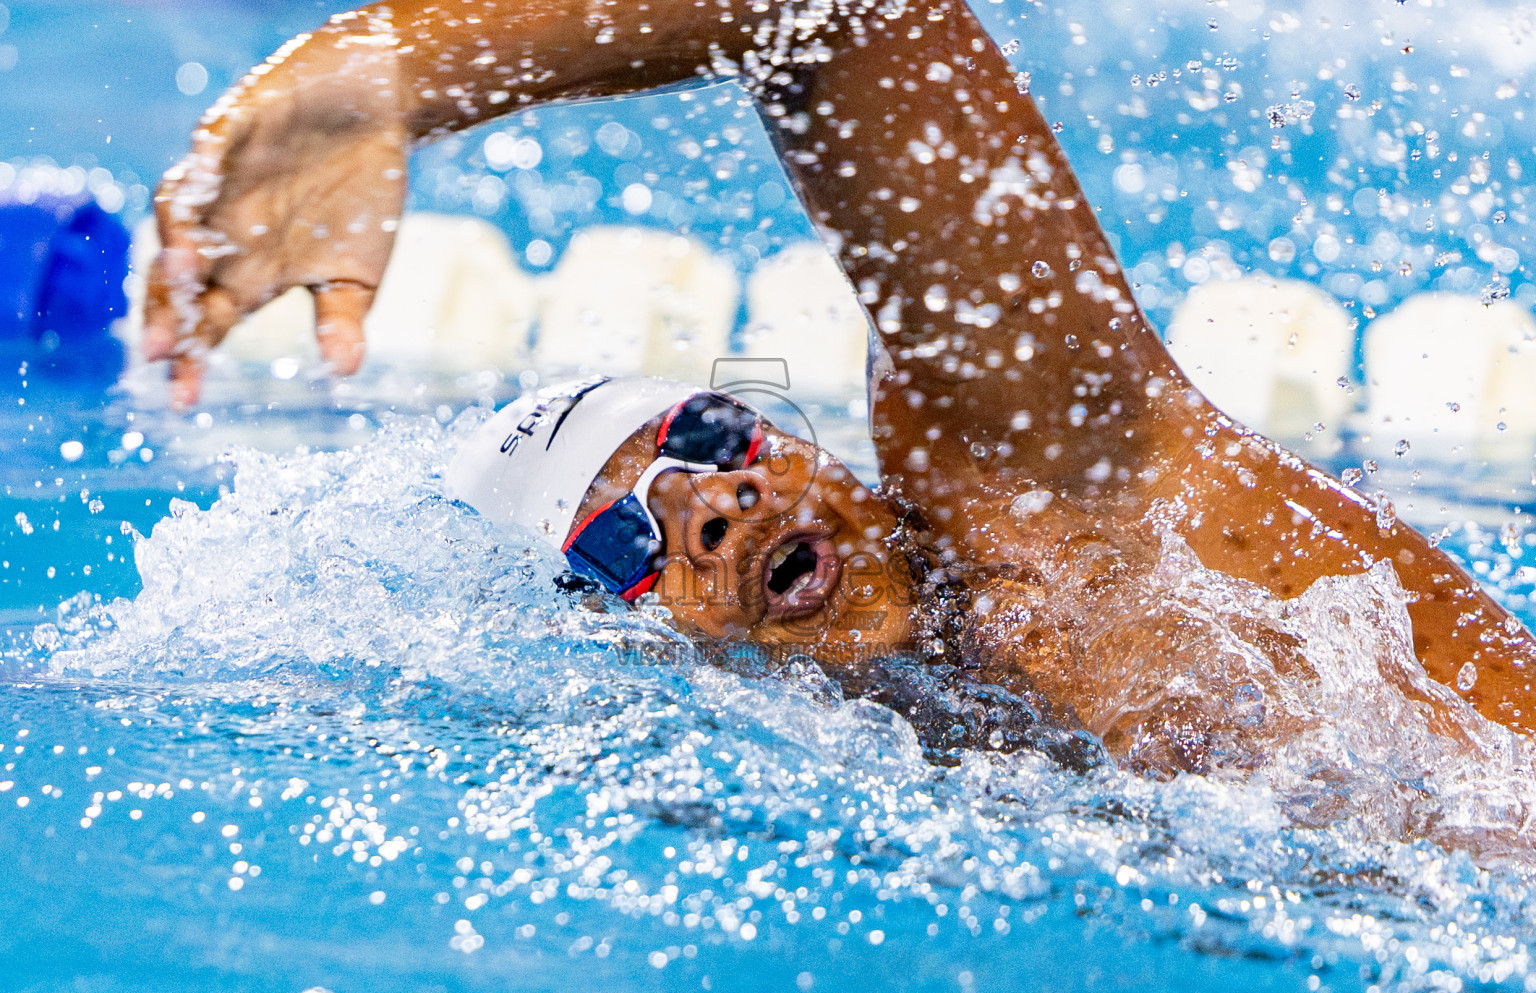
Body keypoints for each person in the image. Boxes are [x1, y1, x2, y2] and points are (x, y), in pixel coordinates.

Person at [142, 0, 1536, 774]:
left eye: (701, 432)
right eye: (624, 537)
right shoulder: (858, 783)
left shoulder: (1051, 497)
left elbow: (829, 10)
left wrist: (387, 70)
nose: (709, 502)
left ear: (803, 448)